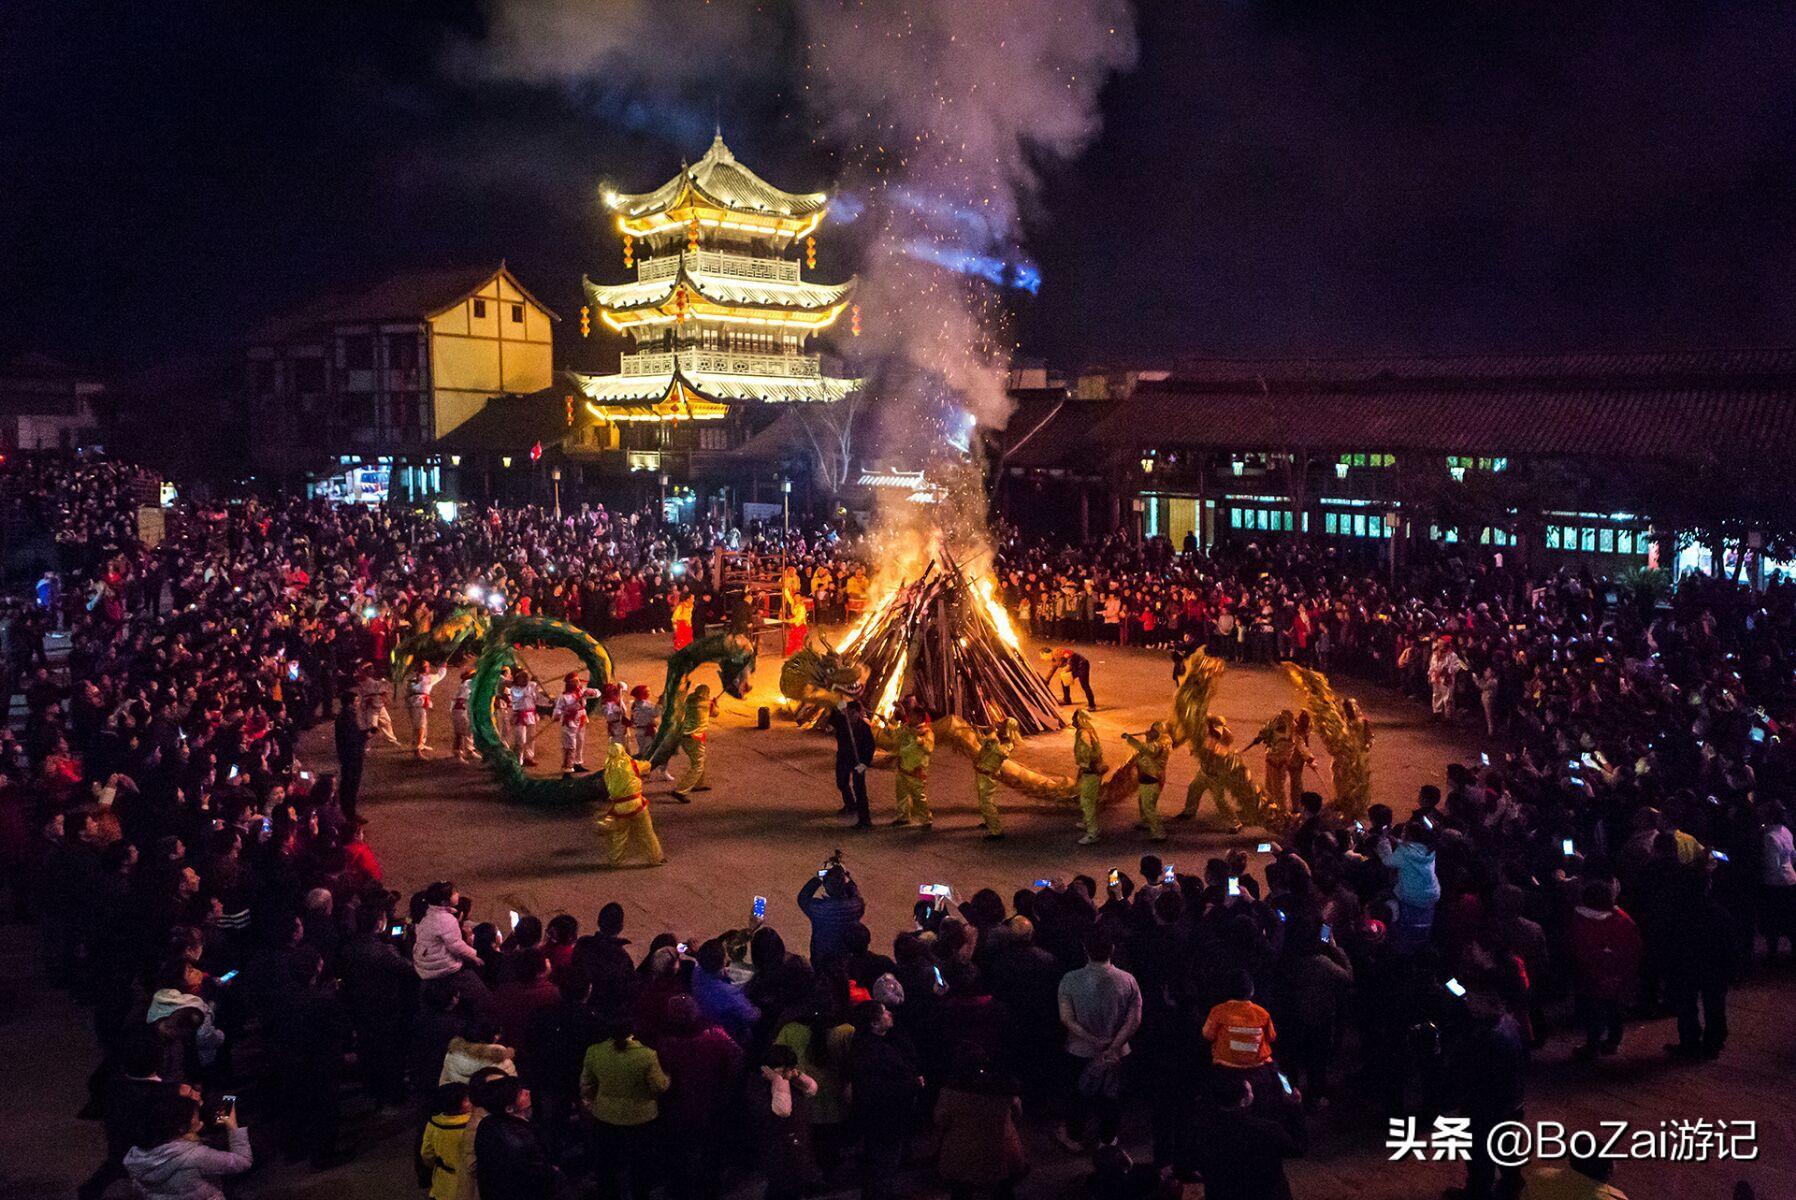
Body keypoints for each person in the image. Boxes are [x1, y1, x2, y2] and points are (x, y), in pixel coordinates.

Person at [1055, 931, 1141, 1153]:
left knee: (1078, 1096)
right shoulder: (1128, 979)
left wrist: (1093, 1040)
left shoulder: (1070, 979)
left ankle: (1075, 1137)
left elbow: (1066, 1018)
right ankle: (1107, 1140)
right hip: (1118, 1051)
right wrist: (1114, 1045)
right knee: (1111, 1098)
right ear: (1112, 949)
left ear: (1086, 950)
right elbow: (1134, 1019)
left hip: (1079, 1049)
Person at [580, 1016, 670, 1200]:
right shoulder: (647, 1055)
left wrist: (592, 1102)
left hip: (605, 1115)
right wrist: (668, 1077)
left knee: (609, 1164)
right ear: (633, 1031)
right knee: (639, 1165)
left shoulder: (594, 1051)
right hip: (641, 1118)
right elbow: (658, 1086)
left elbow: (586, 1084)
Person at [1180, 1073, 1301, 1200]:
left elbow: (1185, 1167)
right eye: (1250, 1091)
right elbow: (1297, 1148)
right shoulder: (1267, 1129)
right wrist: (1295, 1108)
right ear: (1244, 1100)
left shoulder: (1202, 1131)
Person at [933, 1044, 1026, 1200]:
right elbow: (1018, 1114)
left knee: (961, 1190)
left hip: (961, 1152)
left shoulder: (949, 1093)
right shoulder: (1005, 1090)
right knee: (1003, 1189)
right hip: (997, 1150)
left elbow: (940, 1121)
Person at [123, 1092, 253, 1200]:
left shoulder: (134, 1154)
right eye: (195, 1117)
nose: (199, 1119)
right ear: (181, 1128)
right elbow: (243, 1161)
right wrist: (232, 1126)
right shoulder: (194, 1156)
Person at [1568, 877, 1642, 1060]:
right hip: (1618, 975)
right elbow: (1634, 948)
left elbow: (1578, 950)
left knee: (1593, 1011)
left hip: (1592, 977)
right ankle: (1613, 1042)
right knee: (1614, 1009)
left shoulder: (1581, 921)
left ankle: (1592, 1046)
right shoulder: (1623, 919)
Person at [472, 1074, 561, 1200]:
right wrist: (554, 1172)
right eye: (520, 1094)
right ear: (509, 1108)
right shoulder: (518, 1139)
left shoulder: (487, 1123)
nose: (527, 1092)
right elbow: (536, 1175)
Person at [755, 1043, 822, 1200]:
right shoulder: (762, 1087)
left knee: (795, 1181)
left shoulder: (790, 1081)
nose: (789, 1073)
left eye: (792, 1068)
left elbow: (812, 1089)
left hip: (796, 1141)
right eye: (785, 1069)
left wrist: (797, 1075)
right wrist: (779, 1080)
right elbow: (783, 1110)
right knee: (782, 1185)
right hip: (779, 1146)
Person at [598, 742, 665, 868]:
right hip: (637, 805)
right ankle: (656, 858)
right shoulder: (632, 764)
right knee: (647, 833)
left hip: (620, 808)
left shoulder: (608, 771)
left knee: (619, 835)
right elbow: (647, 766)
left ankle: (615, 861)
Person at [799, 863, 867, 964]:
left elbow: (803, 897)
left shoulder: (819, 909)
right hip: (846, 957)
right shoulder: (856, 906)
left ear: (826, 886)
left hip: (821, 957)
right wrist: (846, 876)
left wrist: (821, 874)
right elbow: (855, 893)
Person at [420, 1083, 472, 1200]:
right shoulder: (474, 1125)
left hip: (444, 1181)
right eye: (467, 1099)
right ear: (458, 1104)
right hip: (470, 1183)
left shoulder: (434, 1124)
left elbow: (426, 1153)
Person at [1121, 721, 1170, 843]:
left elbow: (1146, 749)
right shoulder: (1158, 742)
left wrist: (1130, 739)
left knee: (1148, 806)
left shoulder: (1159, 745)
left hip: (1151, 778)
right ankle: (1146, 821)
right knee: (1142, 801)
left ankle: (1159, 833)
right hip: (1148, 776)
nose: (1150, 732)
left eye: (1153, 731)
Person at [829, 699, 875, 828]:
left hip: (858, 761)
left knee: (859, 789)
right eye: (849, 712)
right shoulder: (843, 722)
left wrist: (865, 763)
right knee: (841, 782)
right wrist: (837, 708)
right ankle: (850, 804)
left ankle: (865, 820)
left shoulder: (864, 727)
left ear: (858, 713)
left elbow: (870, 746)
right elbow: (831, 721)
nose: (851, 715)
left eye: (853, 713)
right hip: (844, 758)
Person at [972, 718, 1019, 840]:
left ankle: (996, 831)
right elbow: (983, 743)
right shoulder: (996, 738)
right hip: (982, 773)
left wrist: (992, 734)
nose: (1001, 725)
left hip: (988, 776)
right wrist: (978, 731)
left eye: (1004, 724)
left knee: (986, 802)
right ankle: (988, 821)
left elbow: (997, 750)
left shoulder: (1007, 745)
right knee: (983, 800)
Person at [670, 683, 717, 802]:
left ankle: (698, 784)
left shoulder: (690, 699)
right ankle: (681, 791)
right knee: (698, 765)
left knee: (700, 759)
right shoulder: (708, 704)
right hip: (695, 737)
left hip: (684, 735)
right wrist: (715, 704)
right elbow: (715, 713)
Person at [890, 703, 933, 830]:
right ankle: (903, 816)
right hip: (903, 767)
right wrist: (888, 723)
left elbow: (929, 748)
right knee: (901, 794)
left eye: (912, 715)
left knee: (918, 796)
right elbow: (895, 734)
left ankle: (926, 820)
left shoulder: (926, 732)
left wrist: (920, 740)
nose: (909, 717)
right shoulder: (907, 728)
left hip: (916, 770)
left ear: (919, 717)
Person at [552, 672, 599, 776]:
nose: (577, 683)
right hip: (570, 722)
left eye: (578, 681)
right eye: (575, 681)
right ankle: (567, 768)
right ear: (569, 683)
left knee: (579, 742)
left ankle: (577, 763)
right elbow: (558, 709)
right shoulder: (564, 697)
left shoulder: (582, 692)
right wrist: (557, 715)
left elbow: (597, 693)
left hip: (581, 719)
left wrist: (592, 692)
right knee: (570, 745)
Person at [334, 689, 370, 819]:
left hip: (349, 755)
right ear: (350, 703)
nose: (358, 703)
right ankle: (349, 813)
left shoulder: (347, 716)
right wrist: (367, 735)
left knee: (349, 784)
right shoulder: (346, 718)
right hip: (351, 756)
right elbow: (352, 738)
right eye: (356, 701)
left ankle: (348, 811)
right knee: (351, 784)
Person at [1071, 709, 1104, 846]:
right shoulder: (1087, 731)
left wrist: (1085, 766)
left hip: (1090, 773)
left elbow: (1087, 753)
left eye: (1074, 718)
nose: (1072, 721)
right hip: (1090, 772)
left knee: (1087, 802)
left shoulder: (1083, 734)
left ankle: (1092, 833)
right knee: (1087, 799)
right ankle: (1087, 822)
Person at [407, 661, 448, 758]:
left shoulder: (413, 678)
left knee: (420, 725)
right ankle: (417, 749)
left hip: (414, 702)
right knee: (420, 726)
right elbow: (440, 675)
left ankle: (420, 743)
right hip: (418, 703)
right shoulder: (427, 678)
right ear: (424, 668)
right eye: (428, 666)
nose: (429, 668)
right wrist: (443, 667)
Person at [507, 668, 545, 767]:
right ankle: (519, 760)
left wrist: (545, 696)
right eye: (520, 678)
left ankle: (529, 757)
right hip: (519, 715)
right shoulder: (514, 689)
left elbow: (538, 698)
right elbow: (519, 697)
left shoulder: (532, 685)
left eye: (524, 677)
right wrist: (532, 687)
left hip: (531, 715)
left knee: (531, 738)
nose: (523, 679)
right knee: (520, 740)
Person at [452, 668, 478, 762]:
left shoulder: (469, 684)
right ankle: (458, 753)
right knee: (460, 732)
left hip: (466, 709)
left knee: (469, 730)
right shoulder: (467, 684)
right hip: (460, 709)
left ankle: (469, 750)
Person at [628, 684, 660, 759]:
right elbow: (655, 713)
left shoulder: (636, 703)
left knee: (643, 751)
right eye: (647, 691)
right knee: (647, 753)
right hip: (646, 732)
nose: (649, 693)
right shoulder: (643, 705)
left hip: (640, 731)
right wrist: (659, 703)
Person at [784, 592, 809, 658]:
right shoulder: (794, 603)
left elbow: (799, 618)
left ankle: (800, 655)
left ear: (800, 598)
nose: (797, 598)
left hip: (800, 625)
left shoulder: (802, 606)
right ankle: (794, 654)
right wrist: (785, 589)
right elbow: (788, 597)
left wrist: (788, 620)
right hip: (795, 625)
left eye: (798, 597)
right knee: (792, 639)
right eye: (795, 597)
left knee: (799, 640)